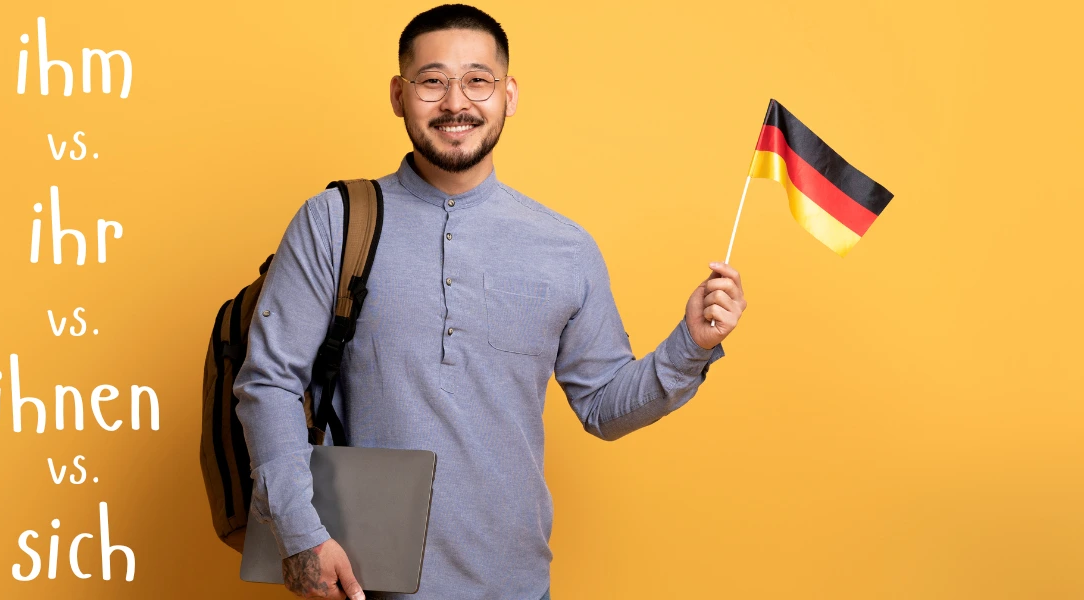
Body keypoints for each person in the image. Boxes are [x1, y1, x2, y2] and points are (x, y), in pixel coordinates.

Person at [232, 4, 748, 599]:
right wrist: (299, 535)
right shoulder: (332, 222)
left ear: (509, 95)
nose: (456, 102)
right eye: (433, 81)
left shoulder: (566, 247)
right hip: (364, 583)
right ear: (399, 95)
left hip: (518, 585)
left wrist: (692, 346)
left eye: (478, 80)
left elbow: (603, 406)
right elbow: (269, 381)